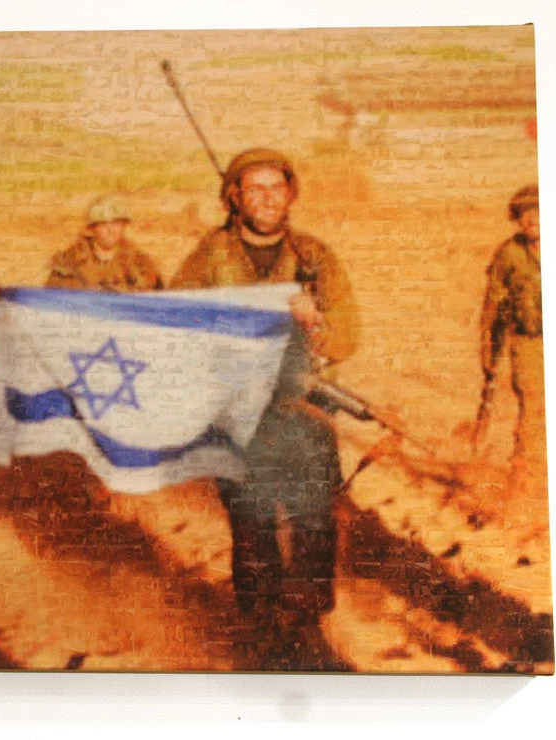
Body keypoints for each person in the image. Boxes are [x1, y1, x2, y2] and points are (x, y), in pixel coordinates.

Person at [171, 148, 358, 668]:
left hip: (303, 410)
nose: (267, 199)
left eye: (276, 188)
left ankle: (307, 626)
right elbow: (176, 319)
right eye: (254, 189)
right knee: (252, 523)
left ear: (290, 194)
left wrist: (314, 321)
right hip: (239, 413)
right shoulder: (211, 255)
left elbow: (347, 332)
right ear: (234, 197)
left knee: (313, 520)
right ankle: (260, 629)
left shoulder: (314, 256)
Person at [479, 185, 544, 495]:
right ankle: (524, 483)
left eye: (538, 211)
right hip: (529, 343)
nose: (531, 219)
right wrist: (487, 349)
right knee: (534, 410)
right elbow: (492, 305)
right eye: (524, 214)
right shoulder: (509, 254)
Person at [46, 194, 163, 292]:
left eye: (117, 223)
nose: (111, 230)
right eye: (104, 224)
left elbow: (157, 302)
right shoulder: (69, 263)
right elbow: (52, 302)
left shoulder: (140, 264)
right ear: (92, 228)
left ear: (124, 226)